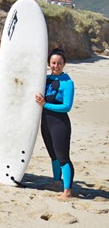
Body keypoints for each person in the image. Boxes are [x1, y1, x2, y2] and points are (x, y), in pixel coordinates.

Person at [35, 48, 75, 199]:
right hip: (45, 122)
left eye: (59, 63)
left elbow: (67, 106)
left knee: (63, 157)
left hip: (60, 124)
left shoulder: (67, 82)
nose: (56, 66)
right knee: (53, 156)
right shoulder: (44, 79)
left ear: (64, 64)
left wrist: (45, 104)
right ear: (49, 64)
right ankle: (56, 182)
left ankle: (68, 190)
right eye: (53, 63)